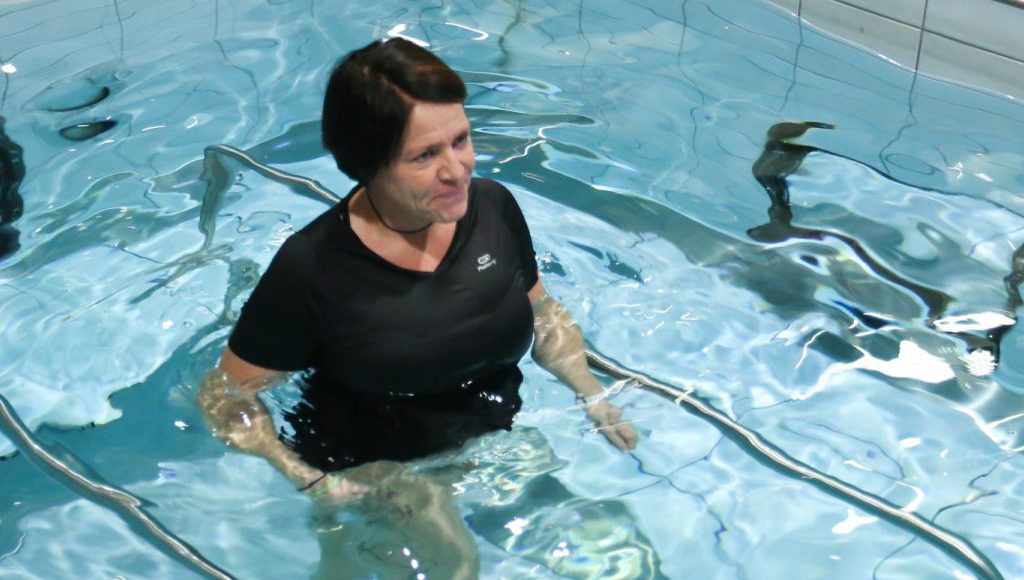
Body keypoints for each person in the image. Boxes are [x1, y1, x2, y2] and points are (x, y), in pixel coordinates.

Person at [198, 37, 637, 575]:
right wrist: (310, 480)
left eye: (461, 140)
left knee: (620, 556)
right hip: (373, 470)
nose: (457, 171)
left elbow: (543, 312)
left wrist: (592, 395)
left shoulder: (493, 209)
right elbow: (224, 397)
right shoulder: (313, 269)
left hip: (491, 434)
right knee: (457, 566)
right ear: (367, 164)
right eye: (425, 156)